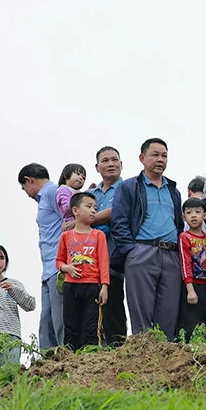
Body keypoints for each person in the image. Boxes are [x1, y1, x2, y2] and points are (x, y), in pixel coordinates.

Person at [111, 138, 184, 340]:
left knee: (169, 312)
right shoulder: (129, 187)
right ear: (142, 158)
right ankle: (142, 355)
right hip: (142, 252)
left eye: (164, 156)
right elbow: (119, 221)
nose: (160, 159)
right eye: (155, 155)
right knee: (141, 314)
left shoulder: (173, 190)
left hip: (171, 255)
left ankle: (166, 354)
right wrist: (131, 251)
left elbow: (178, 223)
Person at [17, 163, 64, 349]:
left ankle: (67, 358)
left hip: (58, 265)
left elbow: (72, 216)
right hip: (48, 269)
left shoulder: (53, 192)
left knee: (60, 320)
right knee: (47, 322)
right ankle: (48, 360)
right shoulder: (45, 197)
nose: (27, 193)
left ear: (29, 181)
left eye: (24, 188)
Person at [56, 192, 110, 351]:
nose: (93, 210)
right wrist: (66, 268)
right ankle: (70, 359)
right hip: (70, 286)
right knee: (70, 326)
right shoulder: (66, 236)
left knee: (91, 328)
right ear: (75, 210)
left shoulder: (98, 235)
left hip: (92, 286)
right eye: (89, 206)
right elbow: (58, 261)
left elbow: (104, 262)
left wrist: (104, 286)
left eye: (95, 208)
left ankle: (89, 358)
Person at [89, 146, 127, 346]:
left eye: (114, 160)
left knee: (114, 308)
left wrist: (88, 218)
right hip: (88, 263)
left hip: (115, 259)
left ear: (121, 164)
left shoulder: (128, 188)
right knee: (90, 312)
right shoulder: (90, 193)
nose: (110, 164)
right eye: (105, 161)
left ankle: (118, 350)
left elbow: (117, 211)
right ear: (97, 167)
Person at [0, 244, 35, 365]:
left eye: (1, 258)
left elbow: (30, 305)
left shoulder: (13, 283)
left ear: (6, 264)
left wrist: (13, 290)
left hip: (11, 335)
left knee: (9, 372)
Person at [178, 198, 206, 342]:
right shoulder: (184, 237)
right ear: (184, 217)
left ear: (204, 215)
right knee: (191, 320)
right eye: (189, 213)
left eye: (197, 212)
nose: (193, 215)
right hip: (192, 284)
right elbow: (185, 264)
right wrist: (190, 289)